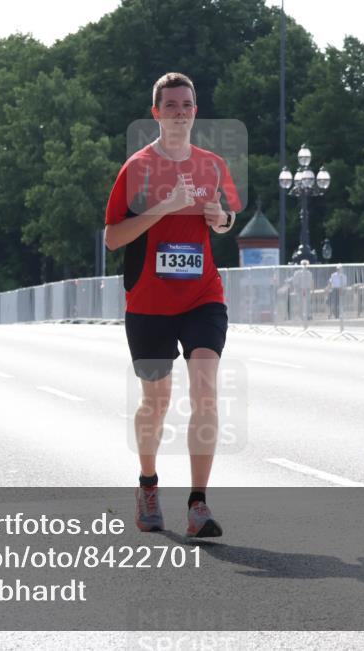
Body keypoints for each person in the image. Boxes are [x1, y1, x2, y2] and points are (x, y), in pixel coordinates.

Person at [104, 72, 241, 539]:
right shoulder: (136, 169)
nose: (181, 111)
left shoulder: (212, 165)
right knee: (155, 402)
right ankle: (147, 485)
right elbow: (113, 238)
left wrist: (221, 219)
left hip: (203, 296)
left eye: (188, 104)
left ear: (195, 112)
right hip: (149, 301)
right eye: (172, 105)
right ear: (156, 112)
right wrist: (163, 207)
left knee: (205, 391)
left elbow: (224, 220)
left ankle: (198, 503)